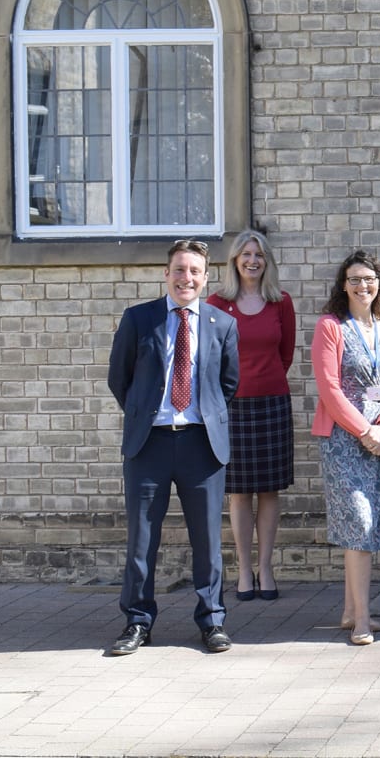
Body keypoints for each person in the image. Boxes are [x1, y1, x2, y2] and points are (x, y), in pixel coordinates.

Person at [106, 240, 240, 656]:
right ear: (167, 274)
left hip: (201, 446)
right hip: (150, 445)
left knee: (208, 540)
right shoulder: (139, 319)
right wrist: (146, 412)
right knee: (141, 538)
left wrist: (204, 416)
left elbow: (228, 384)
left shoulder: (221, 324)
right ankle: (138, 622)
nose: (187, 278)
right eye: (179, 270)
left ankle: (212, 620)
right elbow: (119, 379)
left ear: (205, 276)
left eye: (195, 271)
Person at [312, 250, 380, 646]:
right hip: (343, 440)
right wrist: (364, 430)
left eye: (369, 278)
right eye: (354, 279)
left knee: (371, 525)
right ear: (343, 285)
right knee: (359, 524)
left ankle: (351, 609)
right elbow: (329, 388)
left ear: (379, 283)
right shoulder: (330, 327)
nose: (362, 285)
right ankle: (363, 620)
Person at [207, 230, 296, 603]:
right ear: (234, 261)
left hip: (272, 403)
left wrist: (266, 380)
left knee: (269, 490)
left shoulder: (281, 302)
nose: (252, 261)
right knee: (239, 492)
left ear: (267, 260)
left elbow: (286, 353)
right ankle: (244, 570)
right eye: (245, 254)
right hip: (233, 406)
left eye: (258, 255)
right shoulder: (217, 302)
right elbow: (209, 357)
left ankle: (266, 568)